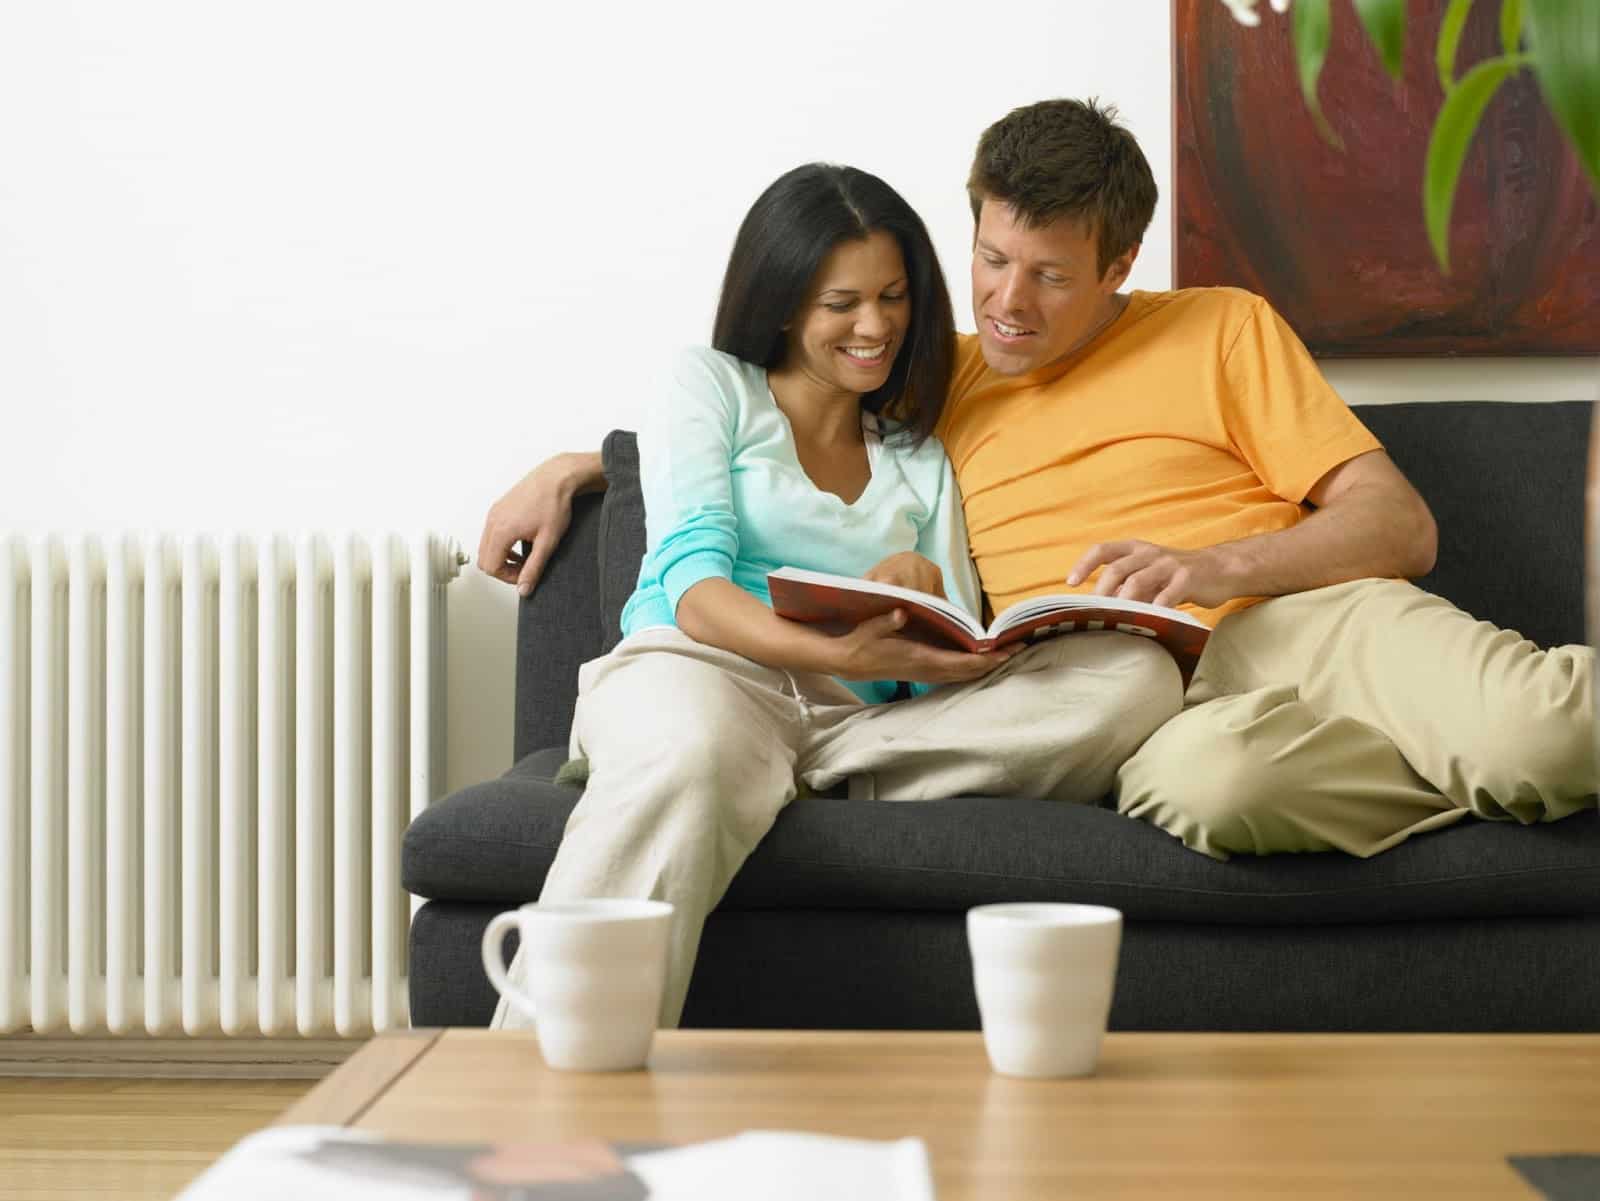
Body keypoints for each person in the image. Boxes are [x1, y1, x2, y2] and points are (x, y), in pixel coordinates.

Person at [483, 98, 1597, 863]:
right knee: (1218, 799)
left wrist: (1210, 564)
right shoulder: (927, 372)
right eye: (990, 259)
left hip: (1306, 616)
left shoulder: (1218, 324)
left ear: (1120, 267)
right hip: (1136, 696)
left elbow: (1397, 523)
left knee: (1544, 738)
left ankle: (1504, 755)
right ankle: (1479, 778)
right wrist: (585, 468)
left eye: (1052, 276)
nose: (1008, 302)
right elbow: (757, 412)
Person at [489, 162, 1182, 1029]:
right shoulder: (709, 386)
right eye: (842, 303)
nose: (875, 326)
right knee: (693, 750)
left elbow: (940, 661)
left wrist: (920, 602)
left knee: (1133, 675)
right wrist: (835, 650)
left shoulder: (917, 454)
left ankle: (781, 778)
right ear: (783, 303)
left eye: (894, 297)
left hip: (858, 730)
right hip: (702, 675)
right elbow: (695, 589)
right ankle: (530, 1077)